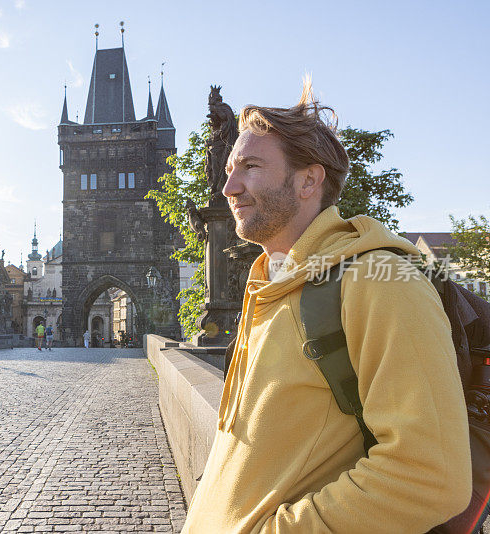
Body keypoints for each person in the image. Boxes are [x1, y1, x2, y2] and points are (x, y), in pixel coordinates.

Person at [181, 80, 471, 533]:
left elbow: (429, 476)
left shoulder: (376, 282)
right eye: (229, 171)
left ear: (309, 180)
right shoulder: (274, 282)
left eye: (250, 167)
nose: (228, 187)